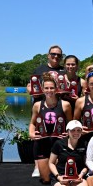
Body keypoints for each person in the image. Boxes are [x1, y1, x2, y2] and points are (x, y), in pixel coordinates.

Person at [27, 45, 66, 177]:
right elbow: (29, 85)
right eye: (53, 54)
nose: (56, 57)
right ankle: (38, 166)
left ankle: (57, 166)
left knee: (57, 138)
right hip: (41, 107)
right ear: (48, 55)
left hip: (58, 107)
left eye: (59, 55)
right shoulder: (39, 69)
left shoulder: (63, 70)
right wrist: (30, 90)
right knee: (39, 136)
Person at [29, 74, 73, 184]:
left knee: (57, 179)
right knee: (46, 179)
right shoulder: (37, 105)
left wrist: (68, 134)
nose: (49, 90)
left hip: (58, 144)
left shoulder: (65, 105)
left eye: (52, 88)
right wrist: (31, 133)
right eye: (46, 88)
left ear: (56, 89)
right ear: (43, 89)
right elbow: (32, 123)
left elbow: (71, 124)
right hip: (42, 143)